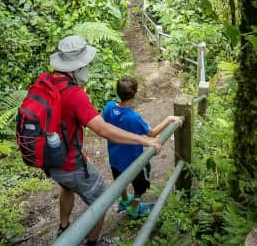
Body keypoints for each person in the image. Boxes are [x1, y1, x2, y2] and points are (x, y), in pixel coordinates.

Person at [48, 35, 162, 246]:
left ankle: (63, 227)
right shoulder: (74, 94)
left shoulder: (46, 81)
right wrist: (145, 141)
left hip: (51, 156)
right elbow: (103, 130)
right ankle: (94, 242)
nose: (87, 69)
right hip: (69, 161)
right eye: (85, 65)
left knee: (67, 186)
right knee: (101, 197)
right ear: (75, 68)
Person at [103, 76, 182, 219]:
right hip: (134, 161)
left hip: (115, 157)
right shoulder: (133, 118)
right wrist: (169, 118)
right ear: (134, 94)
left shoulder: (109, 107)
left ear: (118, 92)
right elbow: (152, 134)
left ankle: (125, 200)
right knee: (140, 186)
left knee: (119, 180)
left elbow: (105, 124)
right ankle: (134, 209)